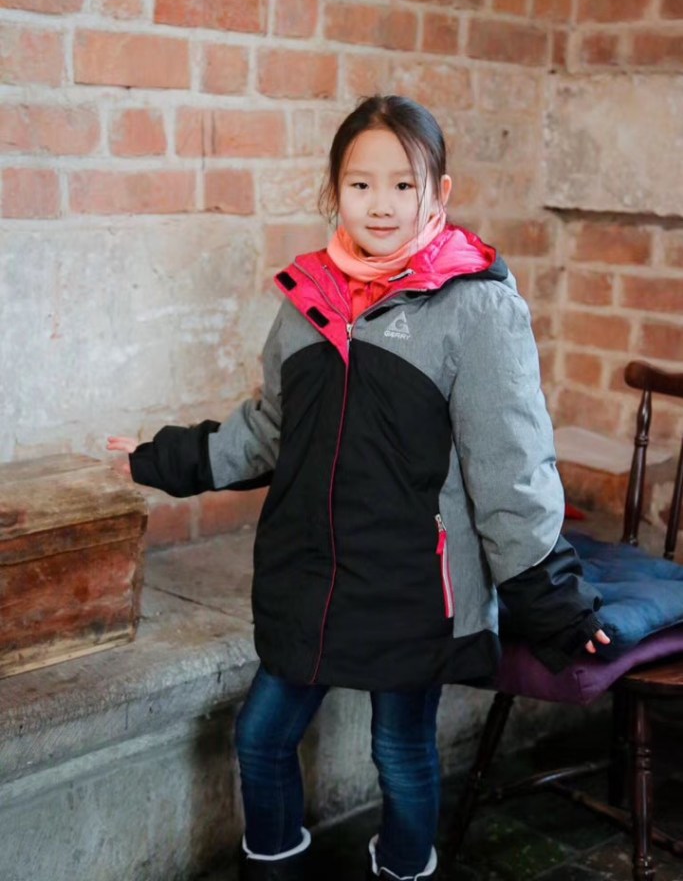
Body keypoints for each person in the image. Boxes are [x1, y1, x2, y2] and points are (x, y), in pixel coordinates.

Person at [108, 95, 610, 881]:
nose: (381, 204)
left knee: (399, 750)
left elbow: (510, 468)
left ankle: (403, 868)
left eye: (403, 185)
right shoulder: (306, 302)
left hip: (411, 584)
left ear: (439, 192)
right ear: (333, 191)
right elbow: (269, 429)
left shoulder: (476, 307)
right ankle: (273, 866)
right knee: (261, 736)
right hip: (309, 572)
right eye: (360, 184)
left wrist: (552, 597)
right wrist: (161, 460)